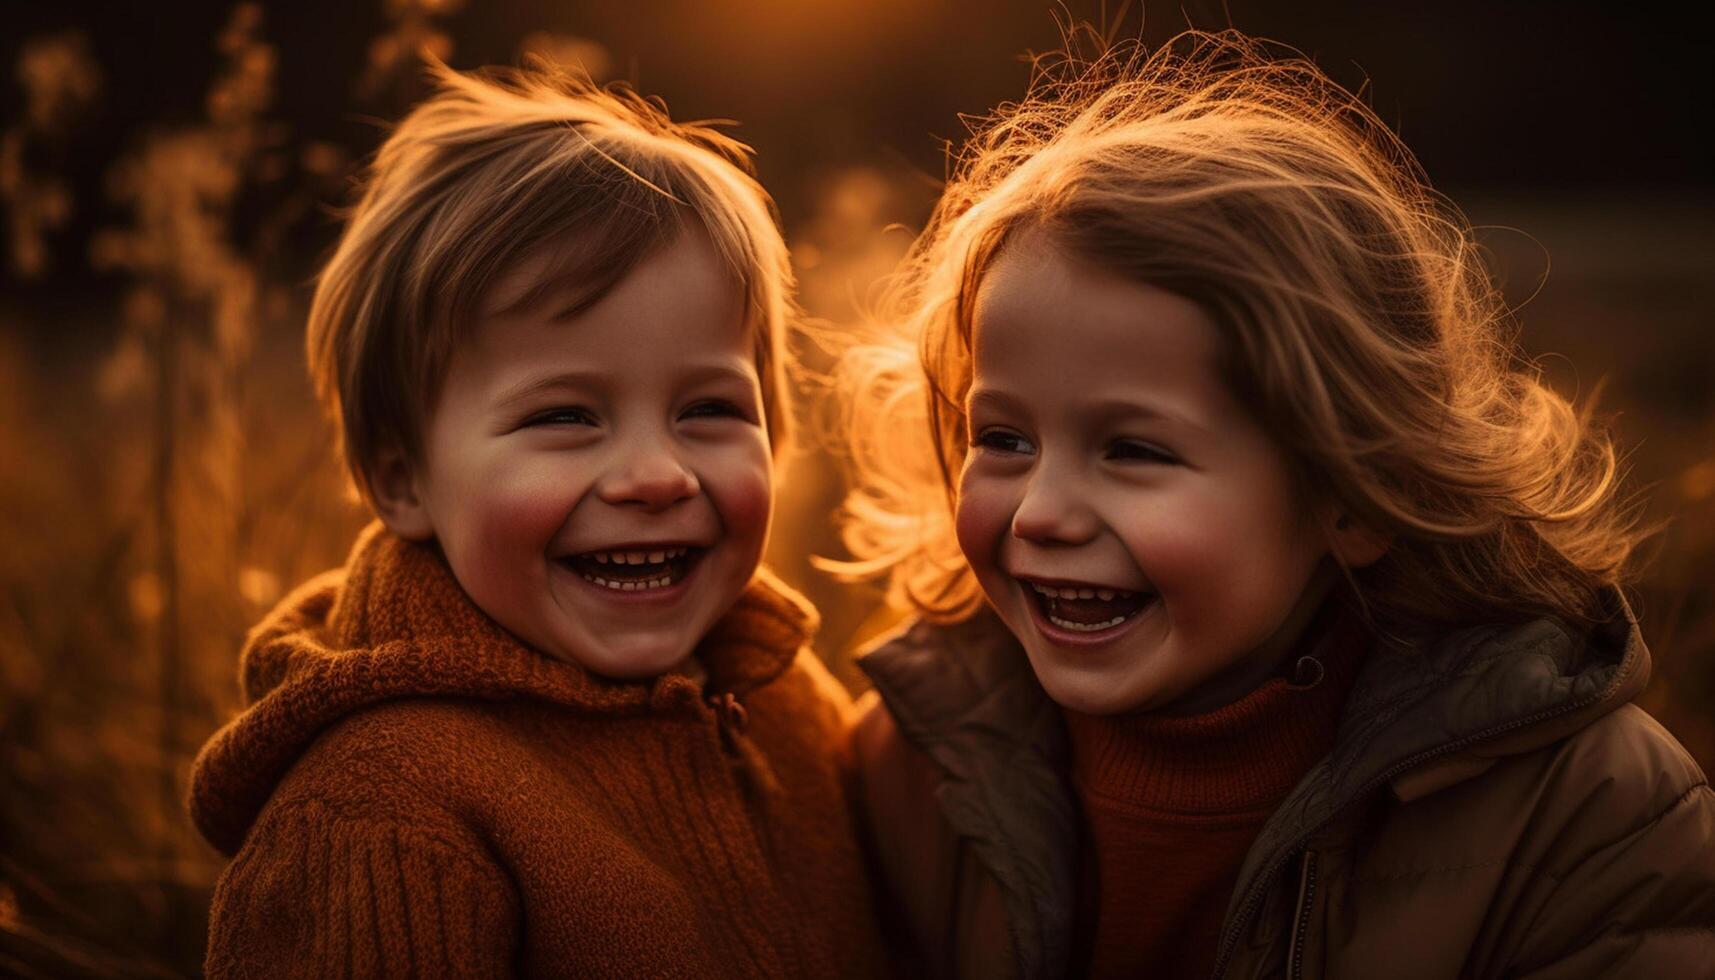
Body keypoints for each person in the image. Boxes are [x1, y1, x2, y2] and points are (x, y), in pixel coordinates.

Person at [835, 29, 1715, 979]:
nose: (1040, 512)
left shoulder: (1585, 815)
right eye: (1003, 439)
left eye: (1133, 450)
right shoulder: (905, 765)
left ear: (1354, 495)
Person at [188, 58, 884, 978]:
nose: (653, 474)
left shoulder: (777, 695)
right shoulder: (383, 814)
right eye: (564, 417)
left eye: (709, 410)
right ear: (403, 481)